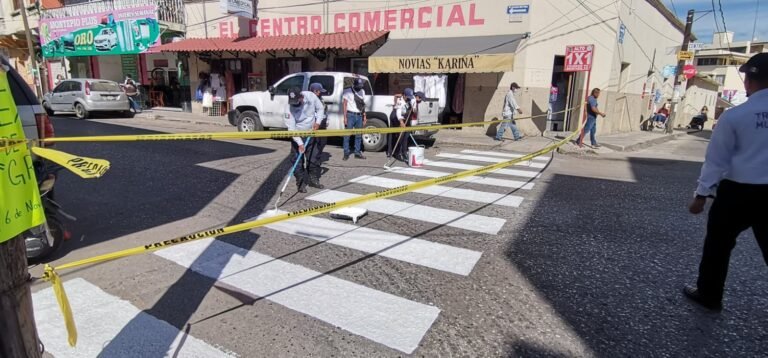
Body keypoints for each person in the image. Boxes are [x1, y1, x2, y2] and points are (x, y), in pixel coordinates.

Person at [684, 53, 768, 312]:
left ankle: (710, 295)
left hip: (737, 192)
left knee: (718, 246)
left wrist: (701, 195)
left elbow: (716, 160)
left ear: (748, 81)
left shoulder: (735, 116)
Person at [285, 86, 326, 193]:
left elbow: (320, 108)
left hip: (311, 133)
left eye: (297, 101)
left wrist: (318, 122)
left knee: (313, 158)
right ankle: (300, 183)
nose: (294, 104)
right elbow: (291, 129)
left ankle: (313, 179)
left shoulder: (311, 96)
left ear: (301, 97)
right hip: (297, 136)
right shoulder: (288, 108)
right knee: (297, 161)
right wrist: (300, 143)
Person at [342, 78, 367, 160]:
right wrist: (345, 117)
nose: (360, 87)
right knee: (347, 135)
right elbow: (345, 104)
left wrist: (364, 116)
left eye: (361, 86)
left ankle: (357, 153)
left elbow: (362, 104)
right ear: (354, 85)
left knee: (358, 135)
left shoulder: (362, 91)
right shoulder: (347, 91)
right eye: (358, 86)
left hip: (359, 115)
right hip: (350, 115)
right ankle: (346, 153)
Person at [387, 92, 406, 159]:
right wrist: (401, 121)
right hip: (396, 116)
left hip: (393, 113)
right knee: (399, 134)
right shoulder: (402, 101)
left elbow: (395, 95)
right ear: (404, 95)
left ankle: (390, 152)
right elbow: (399, 112)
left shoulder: (400, 98)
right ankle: (397, 153)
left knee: (392, 134)